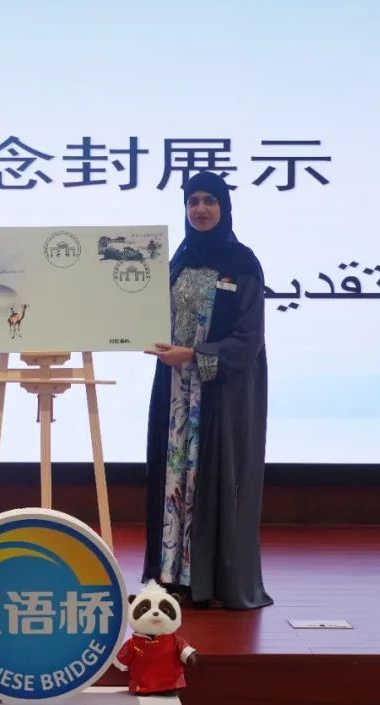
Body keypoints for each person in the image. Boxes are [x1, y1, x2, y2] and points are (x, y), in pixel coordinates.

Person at [143, 170, 273, 610]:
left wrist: (196, 355)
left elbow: (249, 338)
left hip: (220, 393)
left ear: (224, 207)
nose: (200, 209)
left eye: (210, 200)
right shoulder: (177, 261)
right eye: (193, 201)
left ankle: (209, 579)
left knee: (213, 478)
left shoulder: (243, 264)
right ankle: (171, 574)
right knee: (173, 476)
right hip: (175, 393)